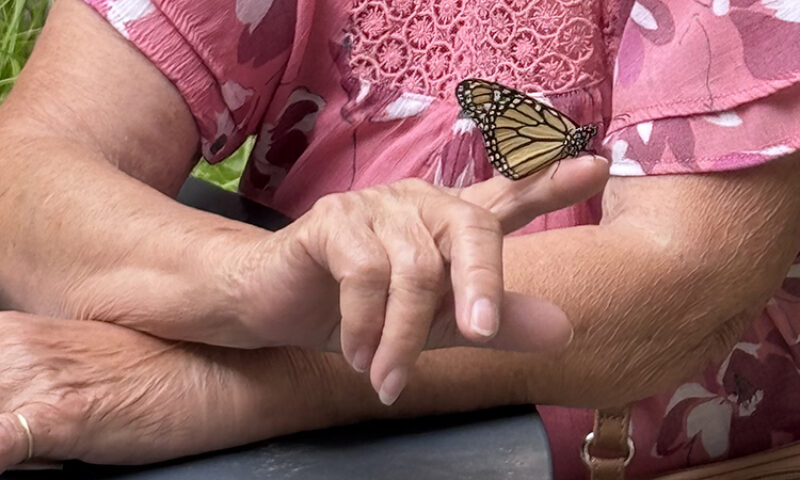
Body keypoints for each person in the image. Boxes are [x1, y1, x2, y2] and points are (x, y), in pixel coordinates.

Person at [0, 0, 798, 477]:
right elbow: (32, 161)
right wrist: (245, 281)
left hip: (598, 426)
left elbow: (674, 288)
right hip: (296, 319)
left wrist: (219, 380)